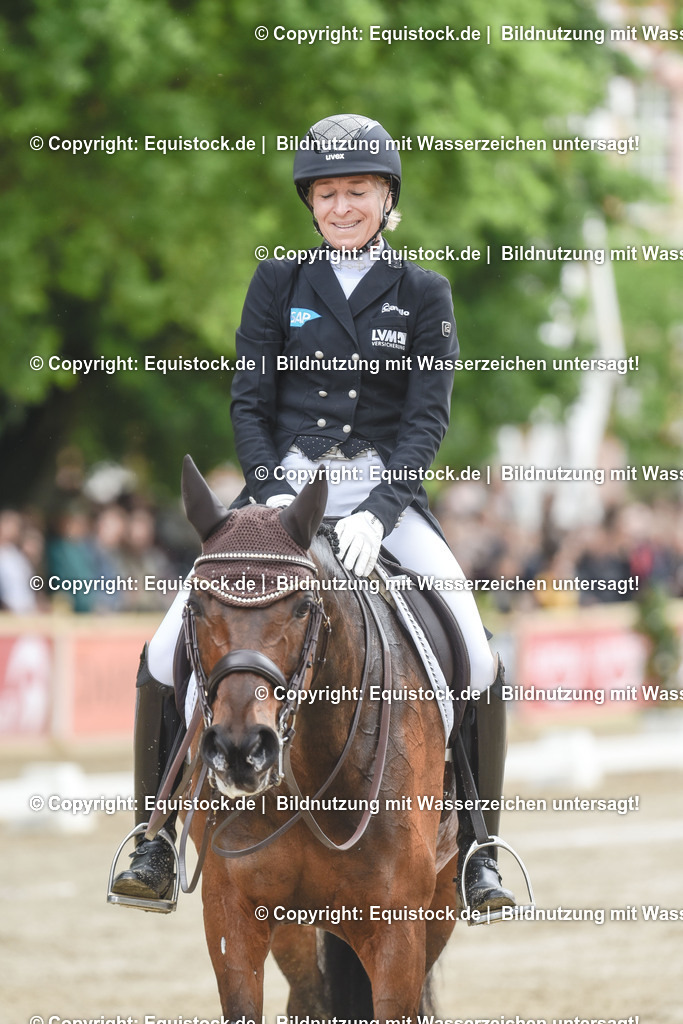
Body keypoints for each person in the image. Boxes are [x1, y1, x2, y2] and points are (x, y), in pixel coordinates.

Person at [111, 113, 516, 916]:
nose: (340, 206)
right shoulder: (279, 284)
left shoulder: (423, 293)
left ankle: (478, 850)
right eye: (326, 193)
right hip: (282, 493)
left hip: (383, 498)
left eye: (356, 191)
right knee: (164, 651)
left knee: (474, 652)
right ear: (311, 202)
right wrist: (267, 493)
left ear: (386, 197)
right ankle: (153, 837)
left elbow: (426, 420)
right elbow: (250, 397)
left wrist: (384, 506)